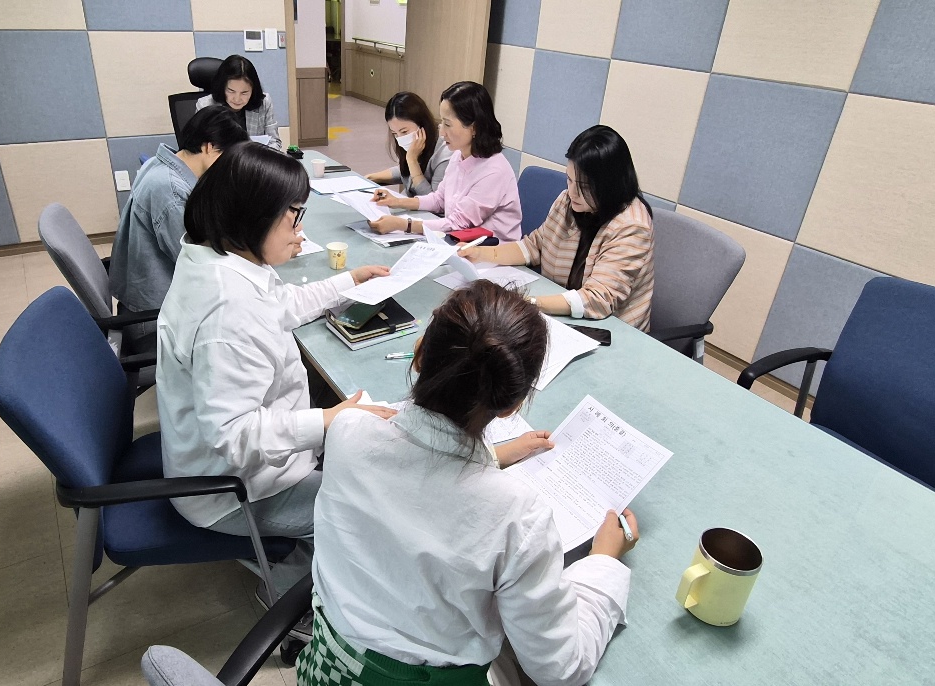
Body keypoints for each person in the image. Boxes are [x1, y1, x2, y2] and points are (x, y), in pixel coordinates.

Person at [305, 280, 637, 686]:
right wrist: (604, 563)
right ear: (511, 404)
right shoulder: (517, 516)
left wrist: (493, 457)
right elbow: (560, 669)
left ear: (419, 354)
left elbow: (416, 471)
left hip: (329, 667)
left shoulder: (347, 430)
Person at [156, 143, 395, 596]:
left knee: (358, 452)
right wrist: (328, 419)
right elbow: (234, 437)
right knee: (373, 512)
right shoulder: (228, 311)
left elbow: (279, 305)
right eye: (294, 216)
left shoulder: (219, 258)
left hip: (218, 459)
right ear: (253, 215)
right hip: (232, 492)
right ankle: (292, 593)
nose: (301, 232)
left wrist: (348, 281)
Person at [461, 125, 655, 330]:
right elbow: (535, 246)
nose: (572, 192)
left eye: (584, 186)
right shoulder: (568, 201)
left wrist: (527, 304)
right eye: (569, 180)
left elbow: (597, 299)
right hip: (565, 319)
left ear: (610, 185)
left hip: (611, 331)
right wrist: (480, 254)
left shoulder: (632, 226)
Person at [109, 104, 248, 312]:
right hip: (158, 311)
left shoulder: (158, 163)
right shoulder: (171, 192)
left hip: (157, 294)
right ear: (209, 147)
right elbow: (203, 266)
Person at [367, 81, 521, 242]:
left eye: (447, 124)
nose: (441, 132)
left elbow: (458, 224)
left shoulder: (493, 171)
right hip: (460, 242)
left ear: (474, 128)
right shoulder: (458, 155)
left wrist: (404, 224)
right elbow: (439, 199)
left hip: (491, 249)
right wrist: (397, 201)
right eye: (442, 122)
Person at [363, 91, 452, 197]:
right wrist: (371, 177)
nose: (400, 138)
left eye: (404, 131)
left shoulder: (445, 153)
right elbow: (405, 172)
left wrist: (412, 160)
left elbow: (433, 200)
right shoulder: (416, 145)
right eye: (395, 133)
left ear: (422, 124)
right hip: (407, 202)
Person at [196, 54, 282, 151]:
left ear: (253, 90)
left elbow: (274, 142)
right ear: (222, 87)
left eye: (244, 93)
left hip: (253, 159)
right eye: (231, 91)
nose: (237, 99)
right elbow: (199, 147)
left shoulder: (264, 102)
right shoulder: (205, 105)